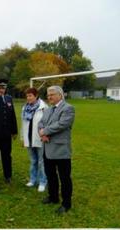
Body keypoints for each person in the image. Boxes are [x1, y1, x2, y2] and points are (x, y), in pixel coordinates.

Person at [38, 85, 75, 215]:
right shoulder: (48, 109)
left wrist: (45, 131)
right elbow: (40, 123)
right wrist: (42, 133)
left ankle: (66, 203)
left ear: (60, 95)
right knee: (51, 175)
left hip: (61, 150)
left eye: (52, 94)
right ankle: (53, 197)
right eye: (48, 95)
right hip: (47, 148)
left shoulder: (68, 108)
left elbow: (62, 124)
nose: (49, 97)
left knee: (64, 178)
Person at [21, 88, 48, 192]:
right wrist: (23, 138)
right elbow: (23, 124)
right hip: (29, 138)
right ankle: (33, 180)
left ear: (36, 96)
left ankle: (43, 181)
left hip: (40, 138)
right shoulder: (25, 108)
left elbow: (47, 123)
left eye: (30, 96)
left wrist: (45, 134)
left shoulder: (43, 107)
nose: (28, 98)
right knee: (33, 161)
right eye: (27, 96)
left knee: (41, 161)